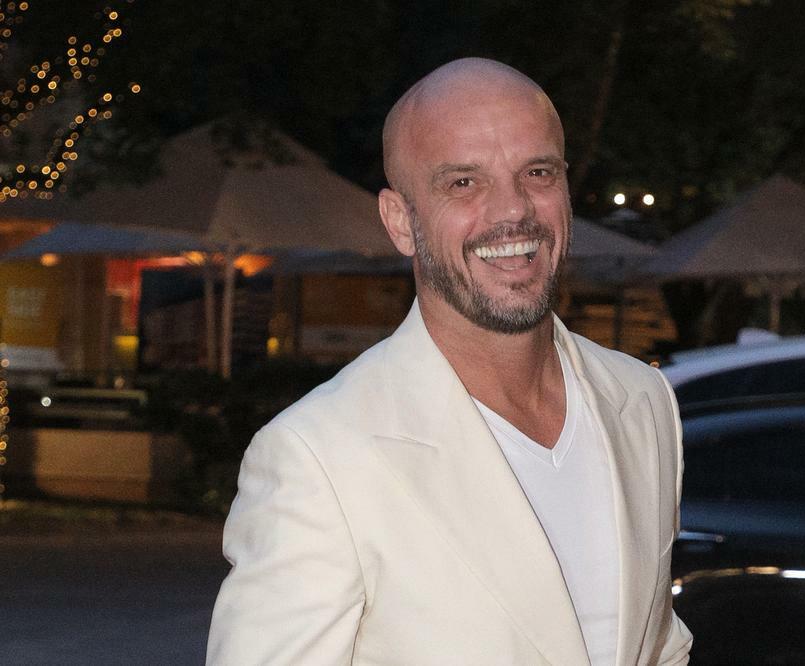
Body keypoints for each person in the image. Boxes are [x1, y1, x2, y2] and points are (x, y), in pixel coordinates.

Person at [207, 57, 692, 665]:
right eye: (464, 182)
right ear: (400, 221)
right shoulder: (319, 457)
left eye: (537, 173)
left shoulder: (643, 400)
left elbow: (659, 646)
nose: (513, 210)